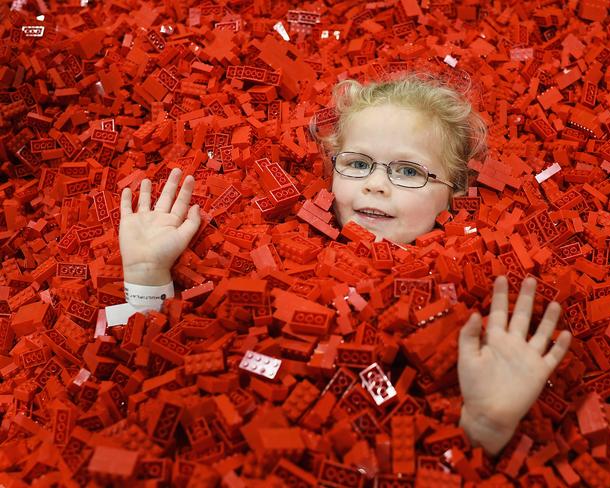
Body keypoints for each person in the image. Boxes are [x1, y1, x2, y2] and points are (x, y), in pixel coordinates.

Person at [116, 73, 572, 457]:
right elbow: (166, 380)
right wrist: (145, 276)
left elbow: (425, 457)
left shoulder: (460, 306)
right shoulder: (264, 263)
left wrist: (485, 429)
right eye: (357, 164)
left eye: (409, 172)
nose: (376, 185)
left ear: (455, 192)